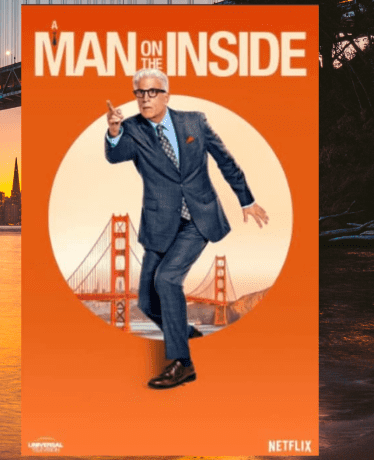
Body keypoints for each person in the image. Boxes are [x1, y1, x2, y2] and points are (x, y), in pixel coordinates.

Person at [104, 68, 268, 389]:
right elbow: (115, 155)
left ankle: (183, 363)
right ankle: (184, 334)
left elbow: (225, 160)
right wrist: (113, 132)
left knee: (167, 279)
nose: (145, 98)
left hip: (199, 218)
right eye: (140, 93)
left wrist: (246, 200)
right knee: (147, 303)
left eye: (152, 92)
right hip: (160, 223)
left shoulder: (195, 121)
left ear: (166, 95)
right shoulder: (132, 129)